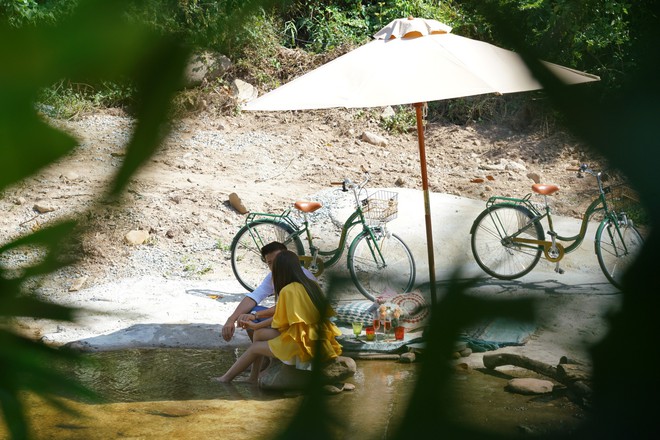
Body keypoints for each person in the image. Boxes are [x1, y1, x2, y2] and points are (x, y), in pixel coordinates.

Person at [214, 250, 342, 383]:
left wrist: (254, 323)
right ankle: (253, 378)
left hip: (302, 347)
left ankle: (225, 379)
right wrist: (256, 325)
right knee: (259, 334)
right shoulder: (311, 285)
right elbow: (285, 316)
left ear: (279, 270)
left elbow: (280, 322)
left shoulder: (288, 290)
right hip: (316, 340)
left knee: (254, 348)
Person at [220, 241, 316, 342]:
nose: (274, 266)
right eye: (270, 263)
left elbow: (286, 311)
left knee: (256, 330)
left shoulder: (301, 277)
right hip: (285, 318)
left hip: (302, 327)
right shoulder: (273, 276)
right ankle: (263, 352)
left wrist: (255, 318)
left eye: (278, 260)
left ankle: (265, 351)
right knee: (247, 314)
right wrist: (231, 320)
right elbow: (254, 297)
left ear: (286, 257)